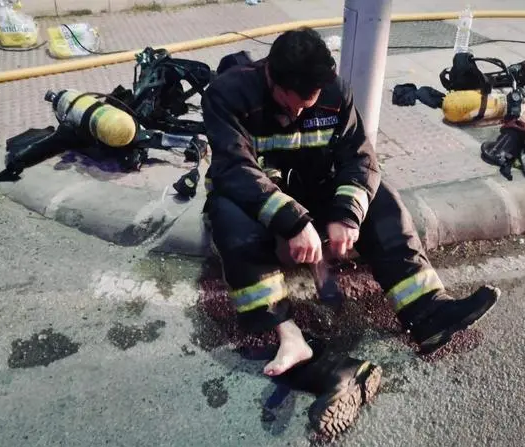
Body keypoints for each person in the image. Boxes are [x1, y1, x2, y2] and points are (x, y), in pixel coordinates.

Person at [201, 28, 500, 378]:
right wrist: (293, 223)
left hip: (313, 186)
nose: (299, 112)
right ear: (272, 78)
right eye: (291, 102)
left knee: (382, 198)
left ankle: (426, 311)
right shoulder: (227, 94)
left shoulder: (334, 91)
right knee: (227, 213)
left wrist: (347, 215)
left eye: (309, 101)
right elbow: (235, 169)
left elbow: (359, 159)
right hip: (257, 194)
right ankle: (283, 332)